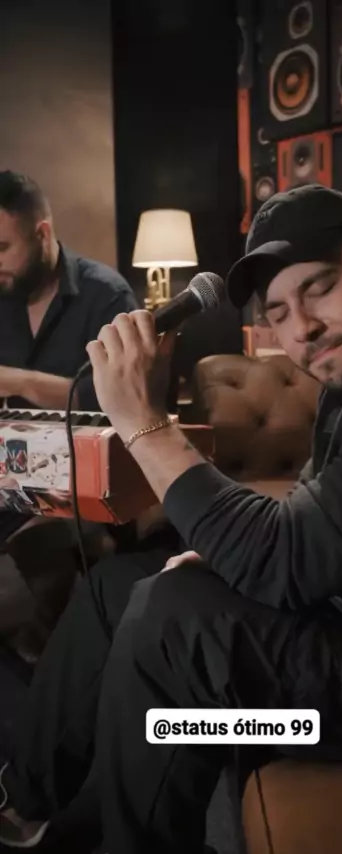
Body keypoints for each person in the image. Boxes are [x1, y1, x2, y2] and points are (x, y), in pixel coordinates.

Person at [1, 184, 342, 852]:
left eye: (319, 287)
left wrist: (144, 424)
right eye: (278, 312)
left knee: (174, 621)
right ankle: (21, 804)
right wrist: (226, 549)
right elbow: (313, 514)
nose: (302, 328)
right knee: (118, 587)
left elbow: (286, 561)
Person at [0, 170, 138, 650]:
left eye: (2, 248)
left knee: (42, 547)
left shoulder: (108, 296)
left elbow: (121, 402)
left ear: (42, 234)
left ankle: (50, 660)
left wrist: (19, 381)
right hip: (10, 466)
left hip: (86, 474)